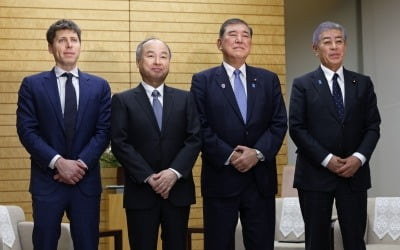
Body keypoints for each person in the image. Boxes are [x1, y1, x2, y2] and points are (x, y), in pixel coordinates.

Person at [190, 18, 288, 250]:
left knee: (261, 244)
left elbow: (279, 122)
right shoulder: (202, 81)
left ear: (251, 43)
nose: (239, 39)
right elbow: (199, 125)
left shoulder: (267, 79)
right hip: (221, 178)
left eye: (245, 35)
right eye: (233, 34)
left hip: (260, 179)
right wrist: (230, 155)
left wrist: (257, 152)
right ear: (219, 43)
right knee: (219, 244)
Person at [16, 19, 111, 250]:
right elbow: (27, 130)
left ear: (80, 46)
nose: (69, 45)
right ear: (51, 47)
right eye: (62, 40)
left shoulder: (99, 86)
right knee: (45, 243)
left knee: (88, 244)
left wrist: (79, 165)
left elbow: (104, 131)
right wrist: (58, 163)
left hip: (85, 182)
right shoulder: (32, 85)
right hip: (47, 181)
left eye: (74, 40)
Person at [289, 21, 381, 250]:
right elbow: (297, 128)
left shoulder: (362, 83)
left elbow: (373, 126)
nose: (334, 47)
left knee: (354, 241)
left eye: (339, 41)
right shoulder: (302, 84)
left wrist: (358, 158)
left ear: (345, 46)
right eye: (327, 42)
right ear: (315, 48)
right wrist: (327, 159)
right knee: (316, 242)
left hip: (353, 176)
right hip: (314, 175)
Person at [110, 38, 201, 250]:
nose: (157, 61)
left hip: (178, 191)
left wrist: (173, 172)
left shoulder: (186, 99)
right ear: (138, 62)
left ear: (169, 62)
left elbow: (195, 138)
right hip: (141, 193)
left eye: (163, 56)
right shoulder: (123, 100)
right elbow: (119, 143)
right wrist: (149, 177)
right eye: (150, 55)